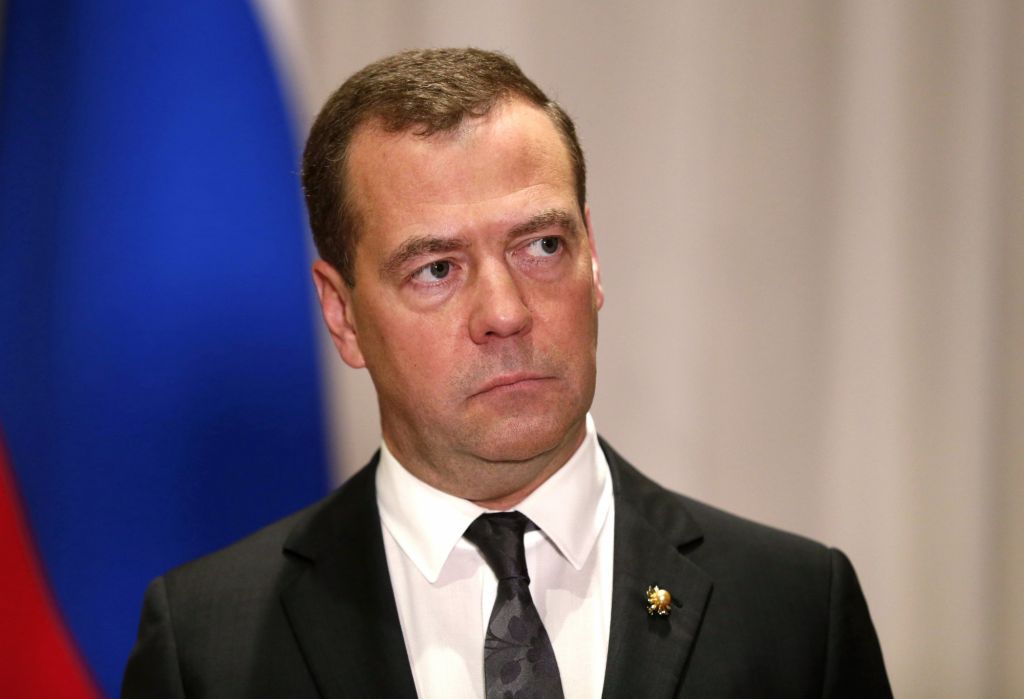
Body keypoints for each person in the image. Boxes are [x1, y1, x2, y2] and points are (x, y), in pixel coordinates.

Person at [122, 48, 892, 698]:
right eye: (435, 268)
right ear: (343, 313)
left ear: (593, 258)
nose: (505, 311)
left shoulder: (794, 612)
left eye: (542, 246)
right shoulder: (207, 648)